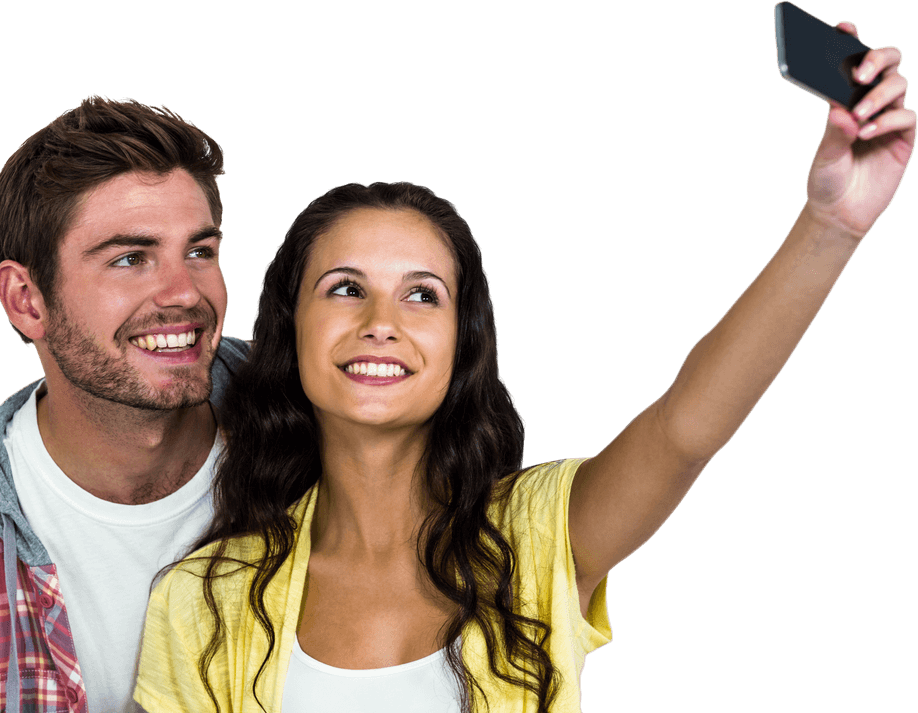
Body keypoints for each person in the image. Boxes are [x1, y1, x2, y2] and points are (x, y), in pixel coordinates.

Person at [133, 22, 914, 713]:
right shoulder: (205, 598)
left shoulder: (533, 538)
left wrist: (832, 223)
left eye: (422, 295)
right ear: (290, 326)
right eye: (345, 288)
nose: (381, 323)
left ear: (461, 343)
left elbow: (685, 431)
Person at [0, 96, 250, 713]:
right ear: (27, 301)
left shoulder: (323, 449)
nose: (184, 293)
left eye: (200, 252)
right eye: (130, 259)